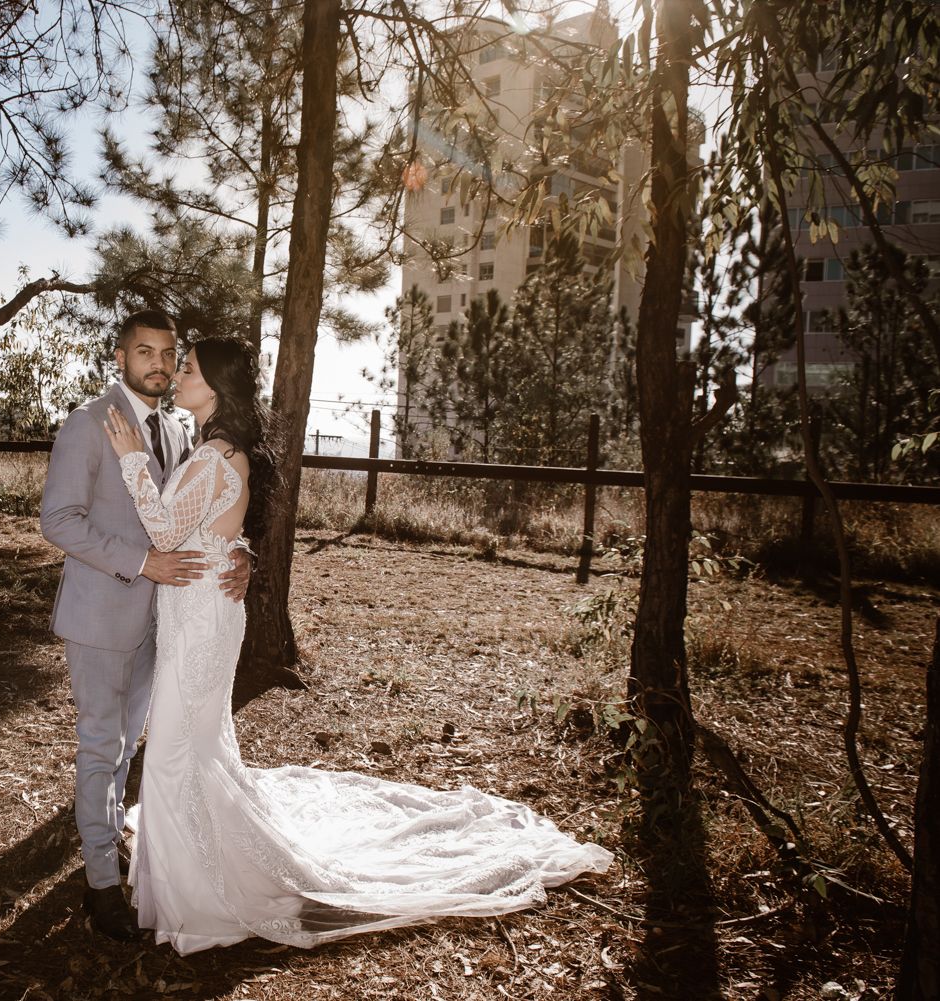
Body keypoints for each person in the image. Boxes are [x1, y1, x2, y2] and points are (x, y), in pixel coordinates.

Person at [103, 334, 613, 955]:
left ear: (215, 385)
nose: (177, 373)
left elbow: (163, 530)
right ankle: (191, 870)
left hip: (203, 617)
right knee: (192, 744)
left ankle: (202, 893)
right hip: (201, 609)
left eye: (188, 367)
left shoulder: (216, 455)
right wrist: (237, 550)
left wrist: (131, 461)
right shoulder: (214, 448)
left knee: (174, 750)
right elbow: (217, 527)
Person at [40, 309, 252, 943]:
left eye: (169, 354)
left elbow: (204, 511)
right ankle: (102, 883)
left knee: (132, 747)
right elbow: (59, 520)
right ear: (120, 356)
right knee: (101, 748)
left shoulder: (183, 428)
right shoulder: (88, 423)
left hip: (169, 623)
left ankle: (114, 845)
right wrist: (141, 562)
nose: (159, 365)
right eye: (144, 352)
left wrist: (240, 551)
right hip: (102, 616)